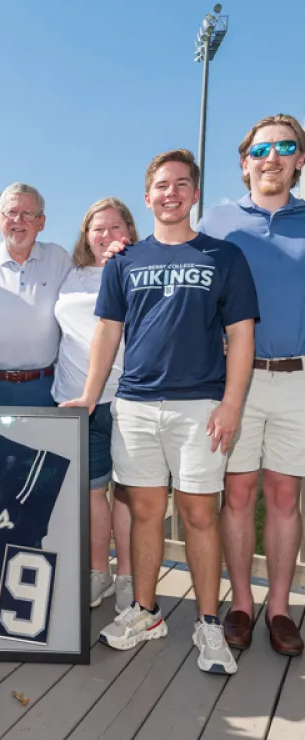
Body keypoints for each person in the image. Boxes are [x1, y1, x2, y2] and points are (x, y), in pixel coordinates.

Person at [63, 149, 258, 676]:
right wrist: (89, 393)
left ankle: (209, 624)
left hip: (201, 407)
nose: (169, 193)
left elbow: (241, 334)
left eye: (180, 184)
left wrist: (233, 404)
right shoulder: (125, 261)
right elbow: (108, 332)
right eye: (160, 186)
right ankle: (146, 612)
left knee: (198, 514)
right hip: (136, 406)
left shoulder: (224, 257)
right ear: (146, 197)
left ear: (194, 193)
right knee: (145, 513)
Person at [198, 114, 305, 657]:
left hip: (298, 381)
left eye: (287, 147)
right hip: (234, 383)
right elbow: (180, 267)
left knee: (285, 497)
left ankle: (281, 609)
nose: (273, 157)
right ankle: (240, 603)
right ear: (245, 163)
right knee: (237, 494)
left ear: (300, 161)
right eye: (262, 149)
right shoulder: (217, 220)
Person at [53, 198, 137, 612]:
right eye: (96, 228)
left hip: (125, 398)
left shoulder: (139, 268)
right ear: (86, 234)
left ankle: (127, 578)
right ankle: (98, 572)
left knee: (127, 494)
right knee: (91, 493)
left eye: (114, 227)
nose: (105, 236)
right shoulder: (71, 275)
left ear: (130, 229)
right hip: (74, 399)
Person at [0, 183, 73, 406]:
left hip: (44, 387)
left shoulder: (59, 258)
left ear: (41, 222)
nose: (18, 220)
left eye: (28, 214)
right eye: (12, 212)